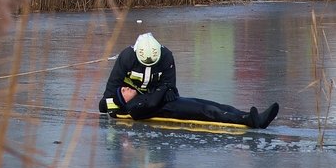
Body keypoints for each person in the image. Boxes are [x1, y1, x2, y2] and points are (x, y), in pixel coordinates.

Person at [98, 33, 279, 129]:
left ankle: (250, 116)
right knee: (205, 111)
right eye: (124, 92)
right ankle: (248, 120)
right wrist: (163, 91)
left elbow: (170, 86)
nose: (125, 88)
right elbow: (108, 98)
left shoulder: (165, 56)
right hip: (161, 105)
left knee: (209, 104)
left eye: (124, 89)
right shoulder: (135, 107)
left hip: (166, 102)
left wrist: (167, 90)